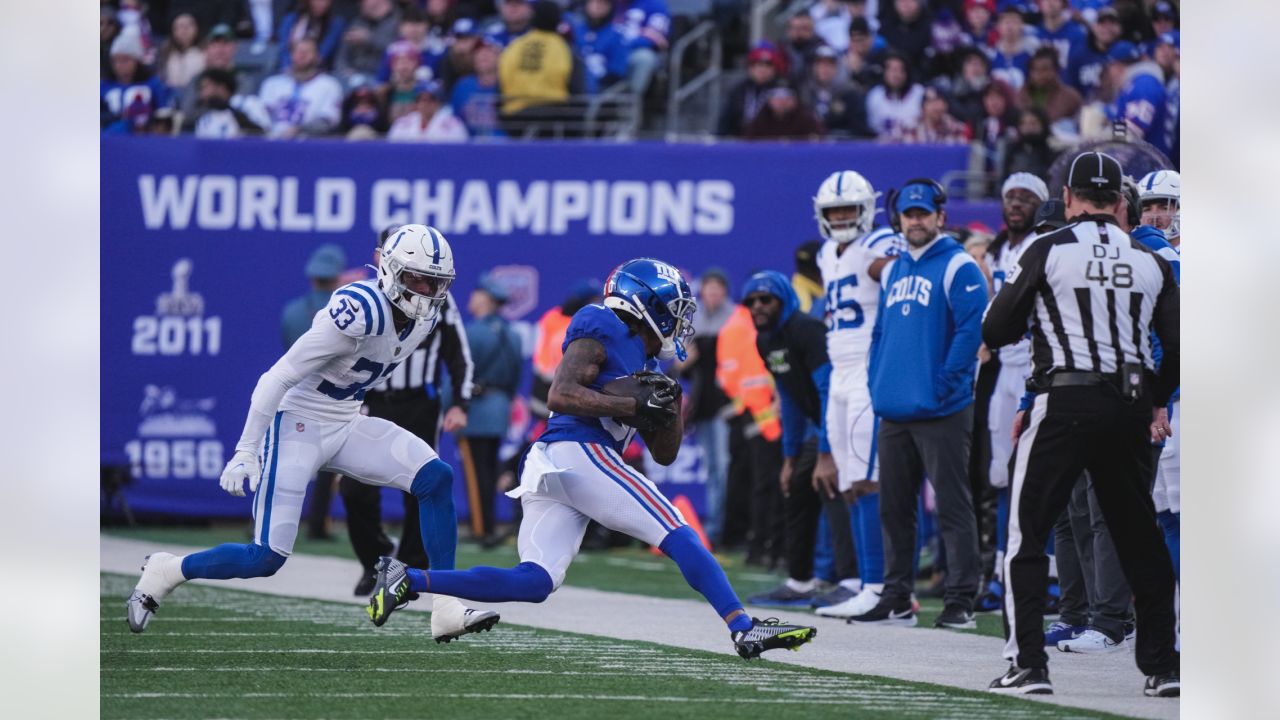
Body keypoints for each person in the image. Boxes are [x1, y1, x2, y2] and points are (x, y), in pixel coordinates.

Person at [364, 258, 817, 660]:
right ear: (648, 304)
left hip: (558, 466)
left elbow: (664, 454)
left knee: (535, 582)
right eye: (674, 309)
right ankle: (743, 627)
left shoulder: (650, 366)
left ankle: (409, 579)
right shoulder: (602, 324)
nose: (679, 321)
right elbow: (561, 394)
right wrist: (633, 406)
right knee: (676, 529)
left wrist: (671, 403)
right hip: (577, 451)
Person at [127, 225, 501, 644]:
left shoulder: (427, 317)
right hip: (297, 424)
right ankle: (169, 569)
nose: (429, 289)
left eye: (437, 281)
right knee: (265, 557)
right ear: (391, 270)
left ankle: (446, 607)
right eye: (418, 278)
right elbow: (279, 375)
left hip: (345, 419)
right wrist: (245, 449)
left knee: (436, 477)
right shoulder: (360, 308)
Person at [981, 151, 1179, 696]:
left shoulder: (1047, 249)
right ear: (1121, 203)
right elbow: (1180, 346)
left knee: (1027, 535)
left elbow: (997, 328)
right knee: (1141, 536)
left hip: (1064, 400)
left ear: (1067, 199)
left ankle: (1028, 664)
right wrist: (1156, 400)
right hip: (1130, 406)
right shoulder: (1150, 260)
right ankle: (1163, 666)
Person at [850, 178, 987, 629]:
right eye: (909, 214)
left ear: (940, 217)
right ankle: (896, 596)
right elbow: (880, 330)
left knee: (952, 505)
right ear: (900, 219)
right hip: (895, 407)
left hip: (941, 409)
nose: (915, 221)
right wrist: (876, 379)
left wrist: (947, 382)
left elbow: (972, 331)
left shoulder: (958, 266)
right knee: (894, 507)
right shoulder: (894, 269)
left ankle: (961, 600)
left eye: (923, 213)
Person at [342, 226, 473, 595]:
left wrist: (460, 403)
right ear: (379, 256)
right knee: (354, 487)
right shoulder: (363, 298)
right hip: (370, 402)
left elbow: (458, 353)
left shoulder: (439, 297)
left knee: (421, 485)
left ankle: (411, 570)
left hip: (419, 402)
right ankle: (375, 561)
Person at [808, 170, 906, 620]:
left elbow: (895, 272)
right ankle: (872, 583)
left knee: (872, 481)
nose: (844, 217)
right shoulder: (828, 253)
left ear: (867, 210)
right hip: (841, 371)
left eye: (850, 209)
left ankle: (882, 587)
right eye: (835, 211)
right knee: (850, 485)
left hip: (870, 368)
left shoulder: (881, 243)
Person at [739, 271, 859, 610]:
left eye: (766, 299)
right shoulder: (766, 341)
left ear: (784, 299)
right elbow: (789, 398)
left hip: (847, 418)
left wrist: (827, 453)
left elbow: (827, 391)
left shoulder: (807, 330)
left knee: (833, 488)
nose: (758, 306)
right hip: (820, 426)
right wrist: (790, 458)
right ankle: (801, 581)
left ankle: (851, 581)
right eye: (751, 301)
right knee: (796, 487)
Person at [974, 173, 1046, 612]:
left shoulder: (1046, 244)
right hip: (1005, 368)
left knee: (1042, 473)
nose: (1017, 203)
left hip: (1040, 365)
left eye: (1027, 197)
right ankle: (1005, 569)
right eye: (1011, 197)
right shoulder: (998, 249)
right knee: (1002, 476)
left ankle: (1049, 572)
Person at [674, 269, 735, 545]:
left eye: (717, 289)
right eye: (708, 289)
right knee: (714, 468)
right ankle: (715, 529)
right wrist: (688, 359)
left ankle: (724, 528)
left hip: (730, 404)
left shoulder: (735, 318)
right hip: (704, 404)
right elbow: (677, 365)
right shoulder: (693, 321)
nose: (713, 295)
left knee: (724, 466)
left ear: (724, 292)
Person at [462, 274, 523, 546]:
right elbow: (515, 377)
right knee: (488, 470)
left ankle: (481, 528)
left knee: (476, 474)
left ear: (485, 300)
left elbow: (459, 374)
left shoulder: (474, 332)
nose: (472, 300)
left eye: (477, 295)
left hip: (475, 409)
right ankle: (487, 523)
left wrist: (451, 406)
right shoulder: (512, 334)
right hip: (499, 408)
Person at [258, 37, 344, 137]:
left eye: (307, 52)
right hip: (270, 141)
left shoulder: (329, 85)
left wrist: (298, 130)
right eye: (298, 51)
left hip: (308, 143)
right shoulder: (272, 83)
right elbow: (262, 115)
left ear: (318, 57)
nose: (302, 55)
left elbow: (327, 121)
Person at [101, 29, 171, 134]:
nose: (120, 65)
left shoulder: (153, 84)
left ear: (137, 61)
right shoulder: (104, 86)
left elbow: (163, 114)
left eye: (125, 60)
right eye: (116, 60)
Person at [802, 45, 874, 139]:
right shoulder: (805, 93)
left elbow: (858, 130)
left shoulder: (850, 94)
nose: (825, 69)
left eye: (829, 64)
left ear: (837, 67)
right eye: (820, 64)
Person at [718, 42, 784, 137]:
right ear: (750, 68)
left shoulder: (782, 91)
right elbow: (724, 121)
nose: (763, 69)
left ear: (774, 69)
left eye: (768, 65)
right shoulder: (738, 90)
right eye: (758, 64)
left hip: (770, 143)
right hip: (740, 141)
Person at [186, 68, 269, 138]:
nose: (202, 94)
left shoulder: (249, 103)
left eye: (205, 87)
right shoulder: (205, 120)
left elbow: (265, 134)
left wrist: (240, 118)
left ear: (221, 88)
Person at [334, 0, 402, 82]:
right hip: (353, 75)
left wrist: (369, 39)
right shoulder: (357, 22)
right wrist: (343, 69)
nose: (361, 4)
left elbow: (396, 49)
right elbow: (341, 54)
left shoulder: (398, 21)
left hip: (381, 76)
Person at [865, 52, 924, 138]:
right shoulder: (875, 95)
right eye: (892, 70)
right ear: (884, 72)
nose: (896, 75)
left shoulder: (919, 93)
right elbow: (872, 129)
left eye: (901, 70)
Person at [387, 80, 470, 142]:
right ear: (416, 103)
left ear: (438, 103)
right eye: (421, 99)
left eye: (431, 99)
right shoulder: (402, 125)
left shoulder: (454, 125)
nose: (425, 104)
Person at [277, 0, 347, 71]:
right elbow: (283, 48)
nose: (322, 4)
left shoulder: (335, 25)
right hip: (288, 68)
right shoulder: (290, 19)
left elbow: (323, 53)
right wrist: (287, 67)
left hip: (316, 71)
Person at [743, 81, 826, 141]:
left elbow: (820, 141)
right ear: (769, 100)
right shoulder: (761, 118)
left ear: (795, 99)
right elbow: (748, 143)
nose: (782, 100)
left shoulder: (806, 118)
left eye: (787, 95)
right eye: (777, 95)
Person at [157, 13, 205, 92]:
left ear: (196, 29)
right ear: (173, 31)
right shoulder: (165, 54)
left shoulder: (204, 53)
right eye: (180, 27)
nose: (184, 30)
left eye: (188, 26)